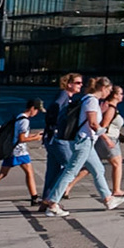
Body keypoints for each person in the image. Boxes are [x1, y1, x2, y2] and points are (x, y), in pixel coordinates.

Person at [37, 76, 124, 217]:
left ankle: (108, 199)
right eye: (108, 89)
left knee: (98, 169)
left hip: (87, 141)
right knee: (70, 171)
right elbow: (93, 124)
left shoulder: (88, 99)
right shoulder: (91, 100)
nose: (109, 93)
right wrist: (106, 138)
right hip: (84, 141)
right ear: (103, 88)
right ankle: (52, 203)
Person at [41, 73, 84, 202]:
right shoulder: (64, 95)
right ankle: (53, 198)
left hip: (52, 137)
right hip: (57, 137)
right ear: (69, 84)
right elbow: (54, 107)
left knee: (53, 170)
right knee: (71, 166)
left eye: (81, 83)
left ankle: (46, 199)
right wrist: (56, 126)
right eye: (78, 83)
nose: (80, 85)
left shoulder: (66, 96)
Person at [98, 85, 124, 197]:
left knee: (89, 167)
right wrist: (108, 140)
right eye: (120, 93)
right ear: (115, 95)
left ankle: (67, 187)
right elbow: (103, 126)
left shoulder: (111, 107)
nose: (122, 96)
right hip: (108, 140)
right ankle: (116, 190)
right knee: (117, 164)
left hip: (110, 139)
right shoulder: (111, 108)